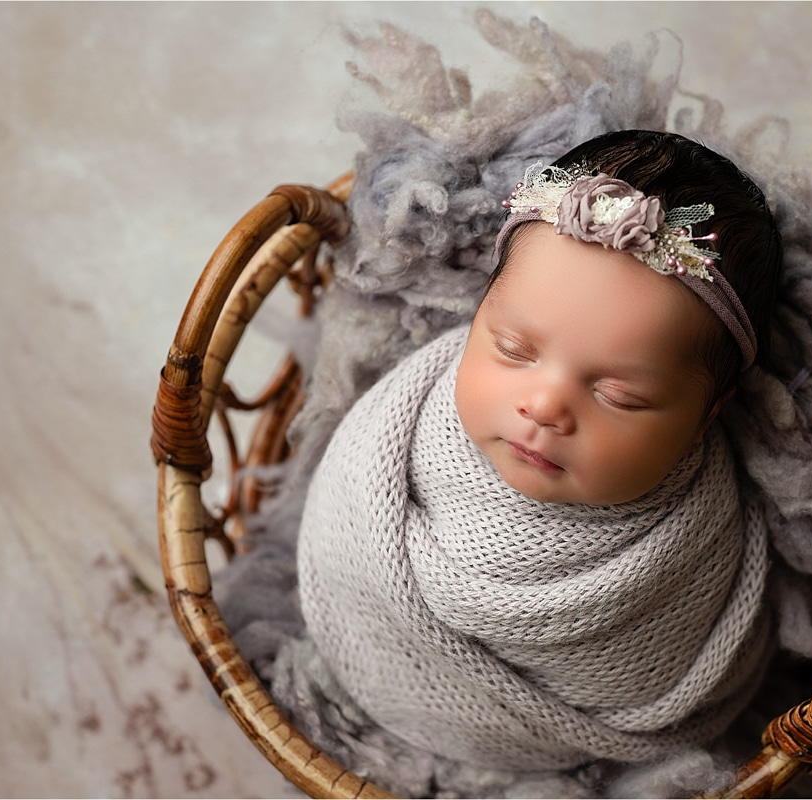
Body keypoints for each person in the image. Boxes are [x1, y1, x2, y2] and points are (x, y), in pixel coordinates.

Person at [296, 129, 786, 772]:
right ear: (477, 316)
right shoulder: (398, 426)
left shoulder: (698, 547)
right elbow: (339, 545)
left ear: (705, 419)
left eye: (620, 395)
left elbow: (663, 664)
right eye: (513, 350)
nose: (546, 405)